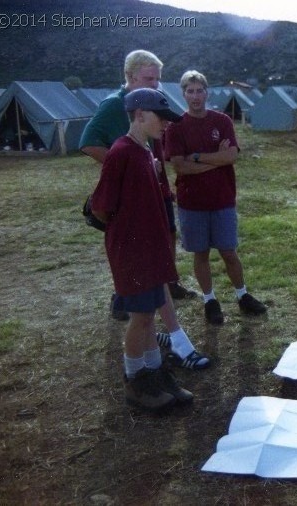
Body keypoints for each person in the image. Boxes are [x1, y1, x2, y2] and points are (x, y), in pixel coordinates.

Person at [80, 50, 209, 371]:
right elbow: (88, 141)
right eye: (149, 78)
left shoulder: (152, 110)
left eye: (157, 78)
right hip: (135, 201)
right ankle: (174, 340)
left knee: (160, 263)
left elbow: (157, 150)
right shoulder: (118, 106)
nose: (156, 84)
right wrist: (127, 167)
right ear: (131, 77)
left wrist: (154, 175)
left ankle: (143, 317)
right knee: (150, 268)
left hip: (157, 191)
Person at [90, 88, 195, 412]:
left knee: (150, 316)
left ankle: (154, 372)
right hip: (132, 252)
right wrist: (127, 233)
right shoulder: (121, 152)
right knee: (140, 318)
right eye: (160, 117)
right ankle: (135, 380)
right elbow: (101, 207)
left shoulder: (145, 150)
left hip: (151, 247)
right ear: (138, 115)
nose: (165, 124)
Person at [165, 70, 267, 324]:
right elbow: (179, 166)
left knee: (228, 252)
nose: (196, 96)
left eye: (200, 91)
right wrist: (216, 160)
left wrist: (197, 156)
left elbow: (231, 156)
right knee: (200, 254)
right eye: (190, 91)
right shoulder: (175, 126)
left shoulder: (222, 121)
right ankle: (210, 300)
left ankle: (242, 295)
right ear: (183, 94)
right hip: (192, 203)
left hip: (222, 198)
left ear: (207, 92)